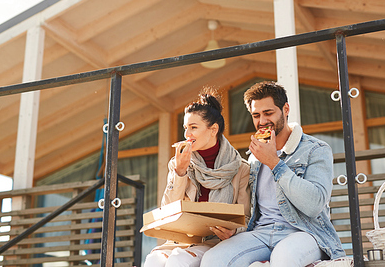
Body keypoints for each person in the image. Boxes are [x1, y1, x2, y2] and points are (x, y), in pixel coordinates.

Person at [201, 81, 345, 267]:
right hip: (261, 233)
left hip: (306, 233)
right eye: (256, 115)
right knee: (213, 260)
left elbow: (314, 204)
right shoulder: (253, 158)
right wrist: (234, 231)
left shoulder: (315, 150)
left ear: (285, 109)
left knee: (283, 258)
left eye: (268, 113)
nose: (262, 121)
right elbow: (254, 212)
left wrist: (275, 163)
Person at [144, 88, 251, 267]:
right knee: (153, 260)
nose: (187, 135)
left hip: (216, 243)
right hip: (182, 240)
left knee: (179, 260)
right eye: (186, 128)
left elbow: (246, 218)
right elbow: (167, 211)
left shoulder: (241, 168)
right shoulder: (179, 164)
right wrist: (180, 173)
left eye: (193, 127)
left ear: (213, 129)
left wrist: (233, 232)